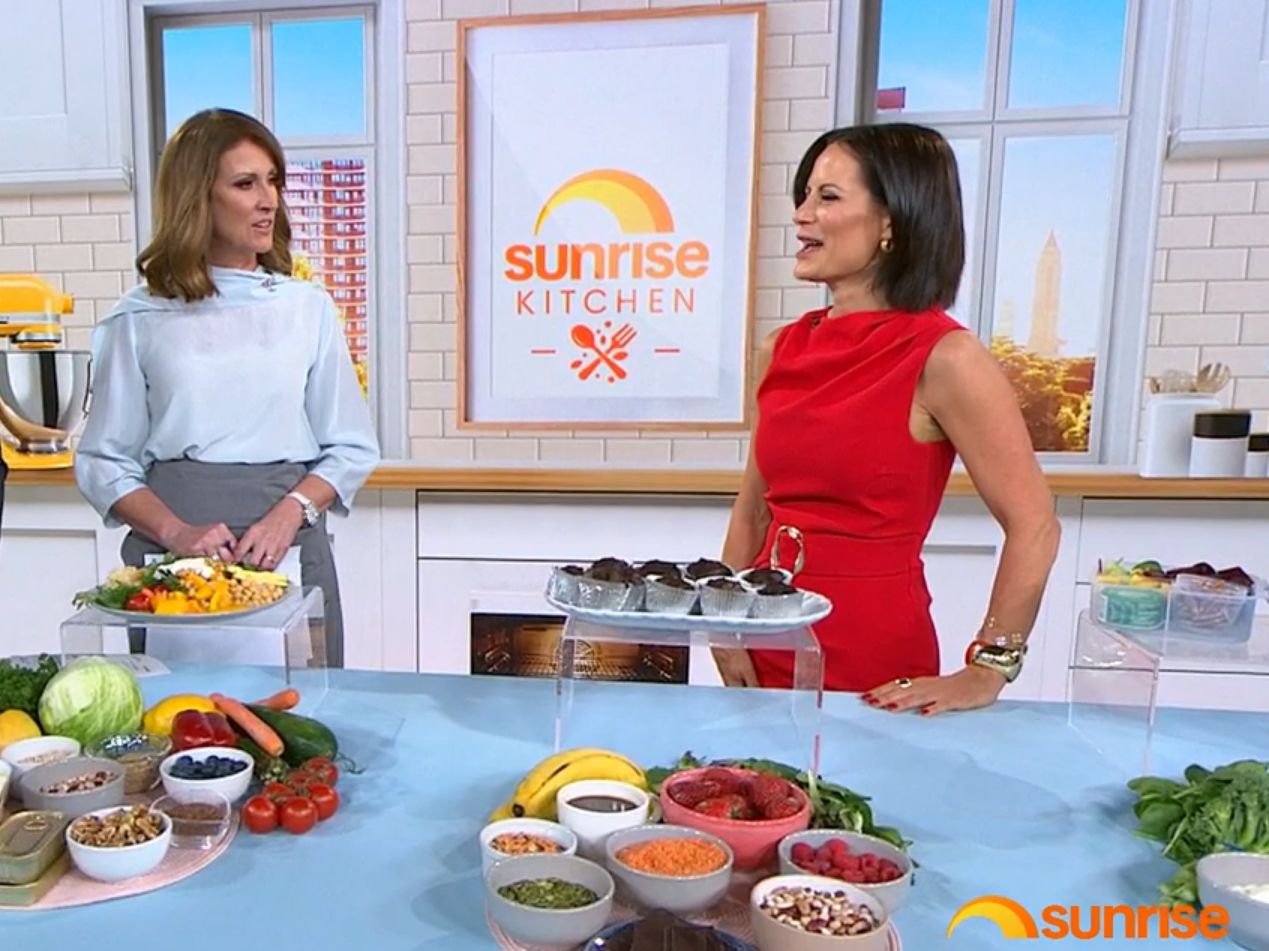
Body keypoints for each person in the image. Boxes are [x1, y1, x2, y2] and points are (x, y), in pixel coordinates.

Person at [715, 123, 1059, 715]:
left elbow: (1036, 526)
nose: (801, 215)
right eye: (804, 195)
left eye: (827, 197)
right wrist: (724, 623)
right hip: (766, 633)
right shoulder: (781, 349)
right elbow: (753, 510)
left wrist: (988, 668)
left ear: (891, 223)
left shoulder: (946, 358)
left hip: (871, 655)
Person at [74, 108, 379, 667]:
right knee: (176, 712)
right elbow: (103, 461)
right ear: (197, 198)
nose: (269, 200)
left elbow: (351, 447)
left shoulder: (306, 308)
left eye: (273, 181)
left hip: (287, 548)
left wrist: (289, 514)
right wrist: (176, 532)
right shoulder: (136, 319)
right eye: (245, 184)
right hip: (173, 562)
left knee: (302, 712)